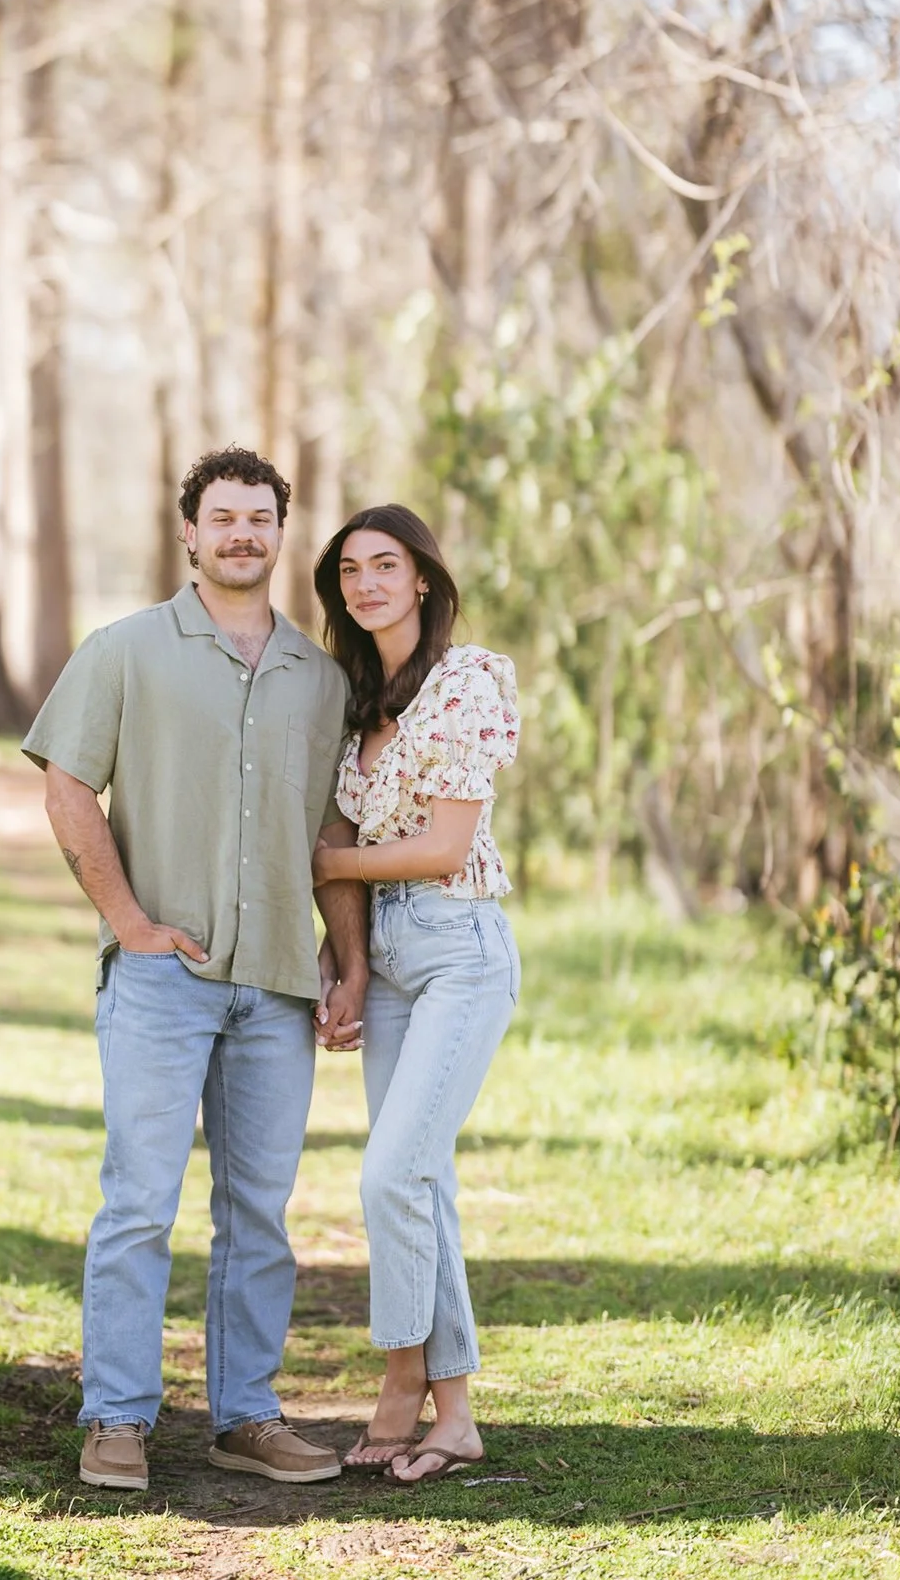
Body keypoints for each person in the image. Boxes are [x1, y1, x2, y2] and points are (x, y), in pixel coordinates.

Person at [22, 446, 368, 1494]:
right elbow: (68, 786)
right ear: (188, 531)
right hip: (161, 978)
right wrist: (127, 919)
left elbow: (331, 828)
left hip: (275, 985)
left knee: (258, 1211)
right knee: (138, 1199)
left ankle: (244, 1416)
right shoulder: (124, 649)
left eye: (258, 518)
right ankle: (116, 1416)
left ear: (278, 530)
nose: (240, 535)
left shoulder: (320, 677)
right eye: (221, 517)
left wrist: (346, 959)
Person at [311, 503, 520, 1486]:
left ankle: (400, 1379)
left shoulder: (464, 679)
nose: (365, 583)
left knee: (388, 1173)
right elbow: (350, 870)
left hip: (456, 944)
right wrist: (344, 961)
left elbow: (441, 845)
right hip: (388, 950)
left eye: (384, 564)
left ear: (422, 578)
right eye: (349, 569)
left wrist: (334, 857)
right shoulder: (356, 699)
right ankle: (457, 1415)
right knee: (418, 1179)